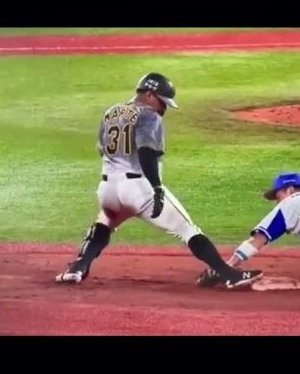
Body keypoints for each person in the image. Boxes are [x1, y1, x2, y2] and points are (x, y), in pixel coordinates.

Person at [55, 72, 263, 289]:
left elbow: (101, 149)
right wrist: (156, 187)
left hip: (108, 188)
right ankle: (229, 274)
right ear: (148, 94)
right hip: (138, 188)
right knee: (187, 229)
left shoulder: (112, 112)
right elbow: (146, 152)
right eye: (162, 102)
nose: (164, 108)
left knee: (105, 222)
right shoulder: (149, 115)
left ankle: (77, 268)